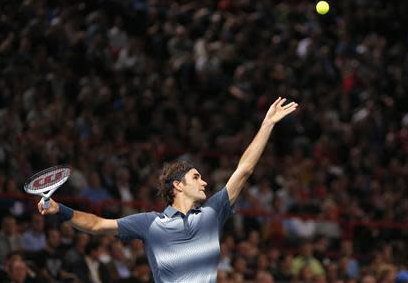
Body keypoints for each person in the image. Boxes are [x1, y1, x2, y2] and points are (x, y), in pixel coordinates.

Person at [38, 97, 298, 283]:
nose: (204, 182)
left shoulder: (213, 213)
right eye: (196, 177)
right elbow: (96, 225)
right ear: (178, 185)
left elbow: (244, 170)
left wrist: (267, 125)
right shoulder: (150, 223)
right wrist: (59, 209)